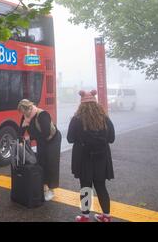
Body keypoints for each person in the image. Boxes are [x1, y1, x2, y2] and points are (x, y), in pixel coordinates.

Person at [67, 90, 115, 222]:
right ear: (96, 104)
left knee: (86, 187)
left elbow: (70, 139)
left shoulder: (76, 119)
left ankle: (85, 217)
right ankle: (106, 216)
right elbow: (111, 139)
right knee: (101, 186)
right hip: (101, 158)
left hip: (83, 159)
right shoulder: (104, 118)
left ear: (81, 105)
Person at [18, 99, 62, 201]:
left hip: (52, 140)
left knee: (51, 163)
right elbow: (21, 131)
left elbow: (46, 133)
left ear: (29, 108)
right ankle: (43, 186)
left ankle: (51, 190)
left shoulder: (42, 115)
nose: (24, 115)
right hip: (41, 140)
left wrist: (30, 138)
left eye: (25, 112)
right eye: (22, 113)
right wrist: (19, 140)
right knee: (41, 161)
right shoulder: (26, 116)